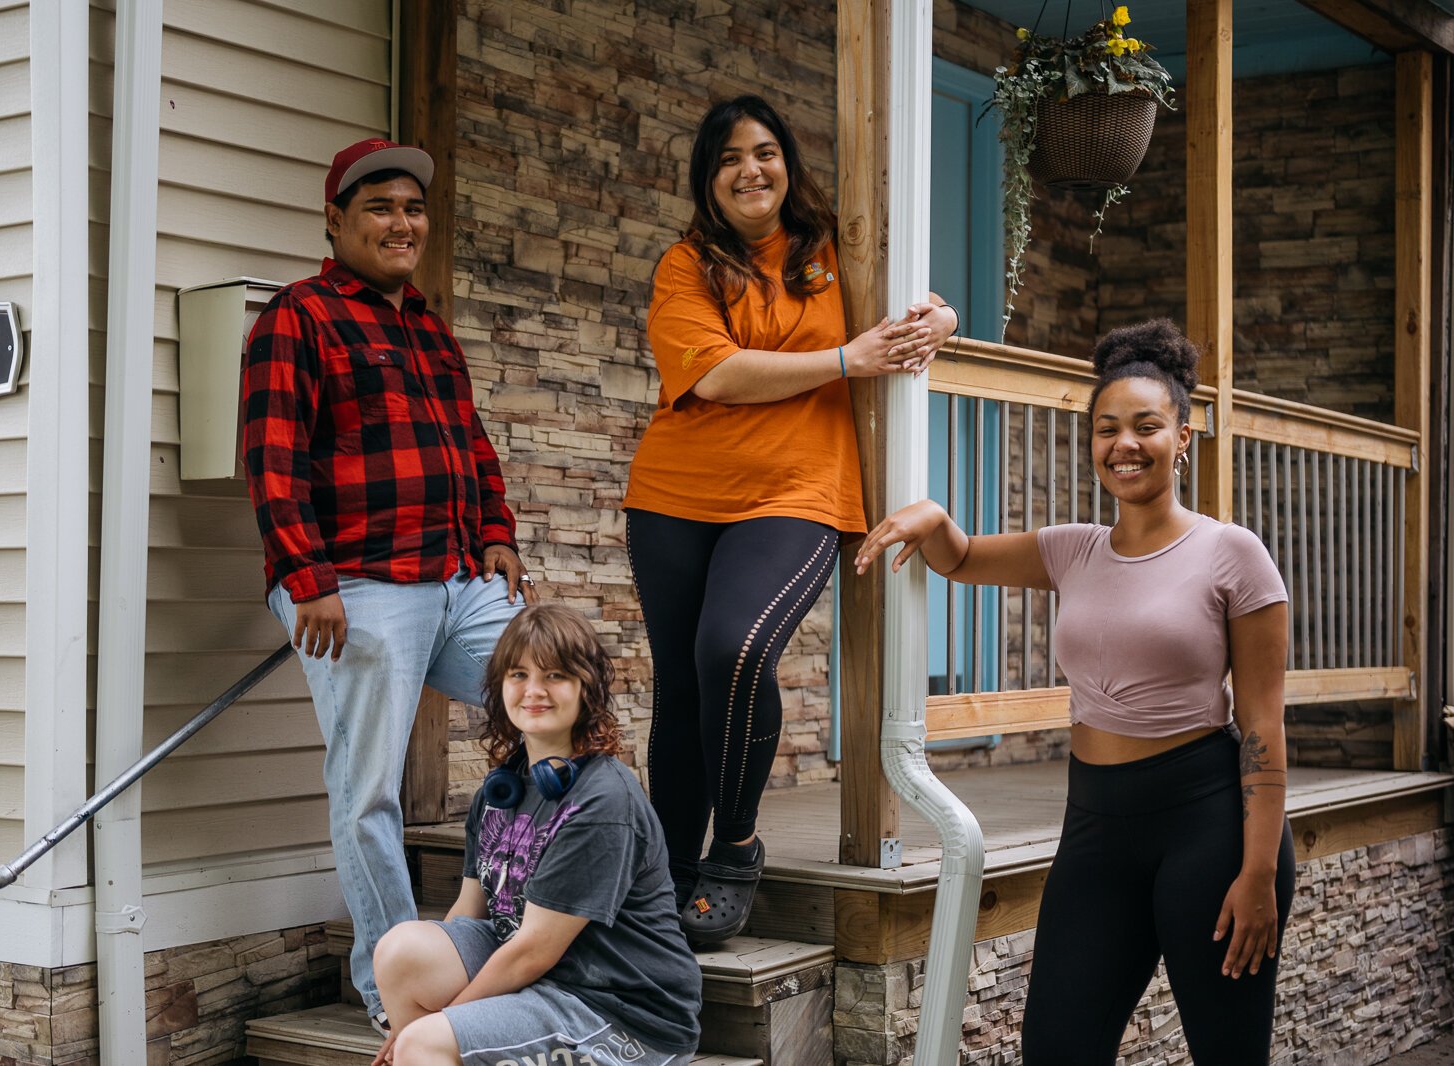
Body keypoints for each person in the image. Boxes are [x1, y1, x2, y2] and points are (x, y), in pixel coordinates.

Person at [855, 319, 1295, 1064]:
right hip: (1096, 821)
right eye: (1107, 429)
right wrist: (930, 515)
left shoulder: (1231, 553)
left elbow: (1261, 726)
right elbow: (959, 558)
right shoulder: (1072, 549)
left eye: (1146, 427)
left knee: (1228, 1053)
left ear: (1182, 438)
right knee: (1057, 1048)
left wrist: (1257, 875)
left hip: (1209, 826)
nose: (1125, 444)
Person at [622, 94, 960, 942]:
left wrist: (943, 318)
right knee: (680, 689)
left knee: (732, 651)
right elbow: (714, 373)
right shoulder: (685, 266)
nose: (750, 170)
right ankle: (666, 873)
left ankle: (734, 848)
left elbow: (920, 303)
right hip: (674, 496)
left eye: (764, 152)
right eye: (729, 158)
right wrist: (846, 359)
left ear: (787, 163)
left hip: (799, 493)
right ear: (708, 180)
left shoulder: (836, 252)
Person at [240, 137, 537, 1032]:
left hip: (456, 578)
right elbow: (272, 458)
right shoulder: (297, 317)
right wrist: (306, 577)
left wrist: (496, 533)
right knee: (367, 790)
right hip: (354, 586)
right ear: (335, 221)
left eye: (412, 207)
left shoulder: (429, 329)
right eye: (379, 207)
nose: (402, 222)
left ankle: (534, 924)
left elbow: (471, 445)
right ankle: (392, 988)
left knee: (560, 703)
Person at [368, 604, 703, 1066]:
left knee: (423, 1043)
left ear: (587, 688)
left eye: (555, 676)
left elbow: (533, 952)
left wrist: (442, 1021)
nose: (534, 691)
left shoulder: (602, 802)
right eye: (518, 675)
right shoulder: (501, 790)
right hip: (541, 979)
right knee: (400, 952)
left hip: (621, 1014)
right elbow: (467, 913)